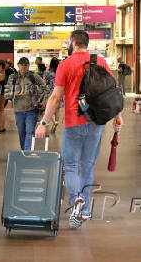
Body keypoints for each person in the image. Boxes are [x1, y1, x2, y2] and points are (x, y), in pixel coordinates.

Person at [35, 30, 123, 229]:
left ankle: (76, 201)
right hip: (96, 122)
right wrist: (118, 116)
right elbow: (112, 92)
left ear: (74, 43)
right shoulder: (100, 61)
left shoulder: (65, 64)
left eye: (68, 41)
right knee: (88, 166)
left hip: (74, 121)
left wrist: (43, 123)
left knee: (72, 166)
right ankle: (83, 211)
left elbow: (55, 97)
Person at [4, 57, 49, 150]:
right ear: (18, 65)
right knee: (21, 133)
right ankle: (24, 152)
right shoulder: (13, 77)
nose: (23, 67)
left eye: (26, 65)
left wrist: (44, 102)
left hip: (31, 110)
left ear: (28, 66)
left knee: (30, 132)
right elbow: (6, 94)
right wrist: (15, 93)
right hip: (18, 110)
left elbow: (46, 90)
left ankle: (27, 153)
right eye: (22, 65)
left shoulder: (34, 76)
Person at [43, 57, 63, 133]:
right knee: (57, 110)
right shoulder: (60, 72)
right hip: (59, 91)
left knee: (48, 109)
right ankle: (57, 122)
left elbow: (44, 82)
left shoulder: (47, 73)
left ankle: (54, 122)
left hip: (50, 92)